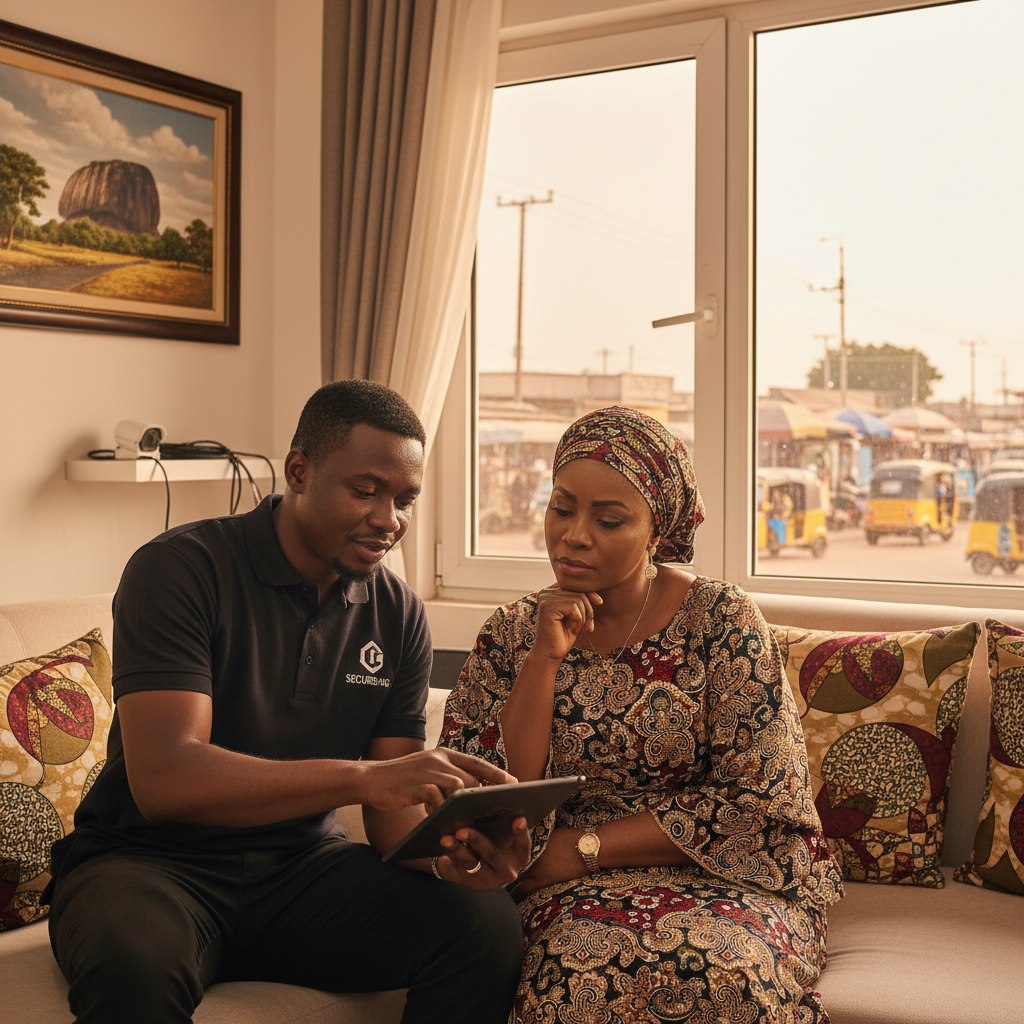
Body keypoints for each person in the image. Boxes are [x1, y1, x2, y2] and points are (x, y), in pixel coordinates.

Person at [43, 379, 529, 1024]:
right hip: (149, 866)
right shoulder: (180, 569)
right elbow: (166, 778)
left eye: (404, 498)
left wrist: (459, 852)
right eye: (366, 490)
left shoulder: (399, 614)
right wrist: (366, 778)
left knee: (484, 925)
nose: (390, 519)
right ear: (299, 471)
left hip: (301, 870)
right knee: (132, 965)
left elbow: (390, 827)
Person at [440, 406, 844, 1023]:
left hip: (725, 876)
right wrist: (543, 661)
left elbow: (759, 801)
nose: (575, 534)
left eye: (609, 519)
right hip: (567, 893)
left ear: (658, 531)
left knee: (723, 972)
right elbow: (497, 795)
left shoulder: (721, 621)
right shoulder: (513, 632)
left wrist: (579, 849)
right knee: (575, 973)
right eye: (561, 508)